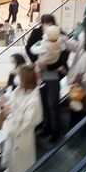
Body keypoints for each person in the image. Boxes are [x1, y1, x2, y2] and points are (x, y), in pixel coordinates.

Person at [0, 65, 43, 172]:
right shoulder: (19, 90)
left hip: (23, 137)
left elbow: (26, 123)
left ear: (25, 79)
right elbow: (11, 106)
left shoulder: (35, 100)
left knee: (25, 166)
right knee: (14, 160)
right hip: (13, 132)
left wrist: (9, 111)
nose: (16, 78)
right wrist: (5, 104)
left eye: (19, 76)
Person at [26, 15, 69, 143]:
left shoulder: (60, 34)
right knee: (43, 101)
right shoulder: (37, 33)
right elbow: (29, 48)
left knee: (53, 102)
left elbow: (64, 55)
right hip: (39, 73)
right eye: (45, 26)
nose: (47, 29)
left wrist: (49, 64)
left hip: (53, 73)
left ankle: (55, 130)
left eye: (49, 26)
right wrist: (36, 62)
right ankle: (46, 126)